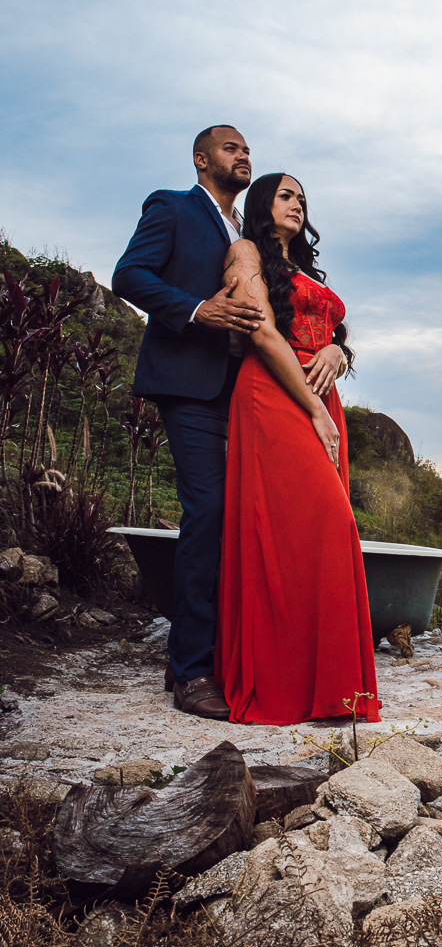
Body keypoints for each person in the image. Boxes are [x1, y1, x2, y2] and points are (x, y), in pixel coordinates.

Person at [214, 173, 381, 725]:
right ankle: (283, 682)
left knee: (315, 530)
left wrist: (337, 351)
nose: (297, 204)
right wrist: (313, 408)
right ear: (263, 203)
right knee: (321, 523)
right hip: (274, 393)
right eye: (286, 195)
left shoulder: (304, 269)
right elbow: (262, 332)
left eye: (302, 198)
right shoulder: (245, 253)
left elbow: (330, 332)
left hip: (319, 395)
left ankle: (330, 687)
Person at [112, 126, 265, 720]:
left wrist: (336, 344)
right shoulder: (173, 206)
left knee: (244, 515)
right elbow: (130, 275)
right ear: (202, 159)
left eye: (247, 149)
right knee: (208, 511)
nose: (243, 155)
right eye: (231, 148)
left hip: (248, 391)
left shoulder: (248, 231)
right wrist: (199, 309)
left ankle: (225, 654)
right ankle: (192, 670)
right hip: (190, 385)